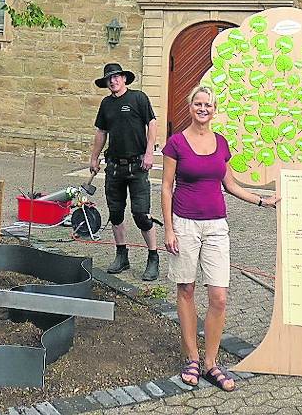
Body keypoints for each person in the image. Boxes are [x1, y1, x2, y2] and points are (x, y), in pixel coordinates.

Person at [161, 85, 277, 390]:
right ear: (190, 107)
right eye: (198, 104)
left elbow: (231, 185)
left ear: (214, 110)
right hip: (184, 224)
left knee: (219, 297)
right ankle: (192, 358)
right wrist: (169, 229)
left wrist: (262, 201)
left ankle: (211, 363)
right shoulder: (176, 143)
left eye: (208, 105)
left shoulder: (221, 143)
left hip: (216, 227)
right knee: (186, 290)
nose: (203, 109)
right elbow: (165, 187)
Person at [89, 61, 160, 281]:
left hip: (138, 165)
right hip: (114, 167)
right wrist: (94, 157)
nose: (113, 80)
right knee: (116, 213)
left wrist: (149, 153)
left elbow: (153, 124)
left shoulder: (138, 98)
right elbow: (101, 132)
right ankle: (122, 255)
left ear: (124, 79)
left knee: (141, 214)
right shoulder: (106, 104)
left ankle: (153, 256)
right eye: (109, 78)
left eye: (117, 77)